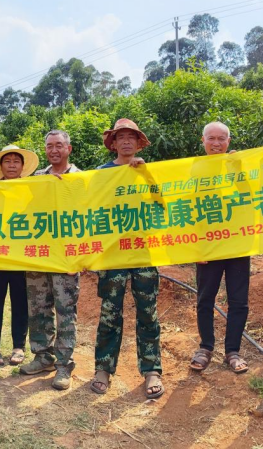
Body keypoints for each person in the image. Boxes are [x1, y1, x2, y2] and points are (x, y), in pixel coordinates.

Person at [91, 118, 163, 399]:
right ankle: (103, 369)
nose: (126, 141)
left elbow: (163, 201)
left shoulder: (147, 170)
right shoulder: (101, 174)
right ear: (113, 143)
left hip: (144, 251)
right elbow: (86, 205)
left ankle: (152, 370)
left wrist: (147, 175)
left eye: (131, 137)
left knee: (148, 311)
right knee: (110, 312)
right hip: (112, 254)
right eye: (120, 137)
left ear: (138, 142)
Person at [19, 130, 82, 390]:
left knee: (66, 310)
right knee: (38, 306)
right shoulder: (37, 178)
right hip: (40, 252)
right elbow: (22, 205)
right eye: (49, 146)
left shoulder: (81, 178)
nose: (54, 150)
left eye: (59, 145)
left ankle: (64, 364)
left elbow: (86, 214)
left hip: (66, 254)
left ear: (68, 149)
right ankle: (42, 356)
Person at [189, 122, 251, 374]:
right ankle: (205, 347)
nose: (216, 143)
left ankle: (233, 351)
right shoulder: (194, 169)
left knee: (239, 300)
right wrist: (194, 244)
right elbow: (186, 207)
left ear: (229, 141)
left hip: (236, 242)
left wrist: (239, 168)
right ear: (202, 141)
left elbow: (250, 195)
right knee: (205, 298)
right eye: (211, 138)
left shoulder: (238, 165)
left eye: (221, 139)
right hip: (207, 245)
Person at [0, 144, 39, 366]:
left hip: (22, 254)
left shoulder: (34, 188)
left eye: (17, 161)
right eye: (8, 161)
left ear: (23, 166)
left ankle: (18, 346)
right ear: (1, 166)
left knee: (21, 301)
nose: (12, 164)